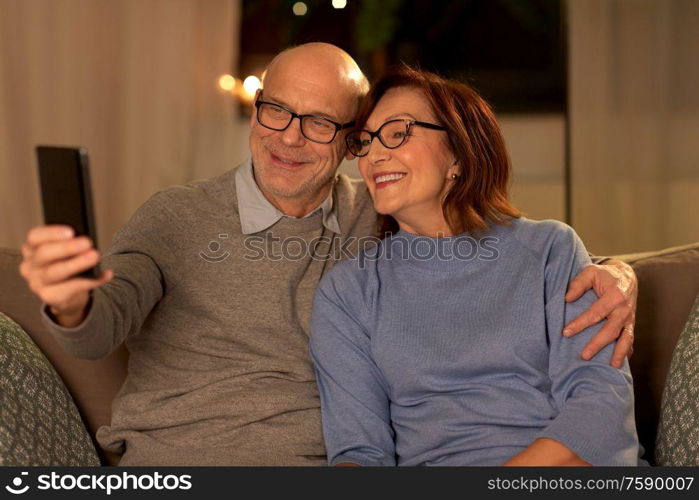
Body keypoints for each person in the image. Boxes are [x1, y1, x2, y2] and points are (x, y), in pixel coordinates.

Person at [18, 43, 637, 466]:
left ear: (346, 146)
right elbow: (103, 321)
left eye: (320, 123)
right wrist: (72, 303)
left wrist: (617, 271)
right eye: (276, 110)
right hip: (186, 461)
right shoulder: (178, 217)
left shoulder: (379, 213)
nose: (289, 136)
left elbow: (509, 257)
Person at [309, 65, 644, 466]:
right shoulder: (348, 291)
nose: (375, 156)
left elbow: (600, 410)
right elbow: (359, 452)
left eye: (398, 133)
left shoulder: (550, 249)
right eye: (366, 142)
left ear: (458, 152)